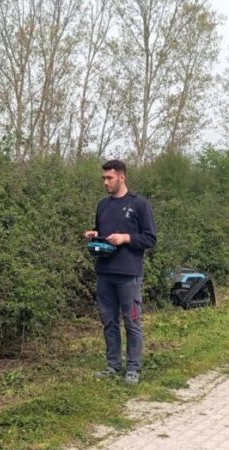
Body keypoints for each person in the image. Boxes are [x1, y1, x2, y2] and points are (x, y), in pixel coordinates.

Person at [84, 160, 158, 385]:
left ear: (122, 177)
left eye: (110, 178)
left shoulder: (139, 204)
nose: (106, 182)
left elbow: (150, 238)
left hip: (128, 275)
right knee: (109, 322)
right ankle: (113, 365)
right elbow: (103, 232)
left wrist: (126, 238)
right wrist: (94, 235)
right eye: (103, 178)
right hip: (105, 272)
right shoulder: (103, 205)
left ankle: (133, 369)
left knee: (132, 322)